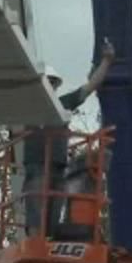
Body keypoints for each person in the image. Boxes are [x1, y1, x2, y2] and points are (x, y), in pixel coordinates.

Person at [17, 40, 115, 238]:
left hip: (58, 165)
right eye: (47, 82)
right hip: (37, 166)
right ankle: (36, 244)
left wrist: (107, 61)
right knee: (37, 208)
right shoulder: (28, 107)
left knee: (52, 212)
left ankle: (46, 244)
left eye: (53, 83)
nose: (50, 86)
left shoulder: (63, 104)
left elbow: (89, 87)